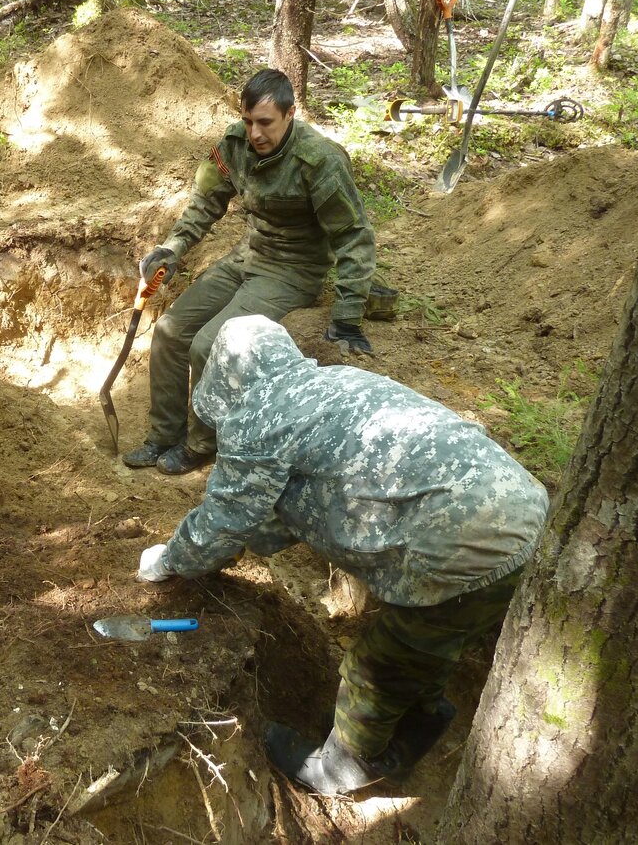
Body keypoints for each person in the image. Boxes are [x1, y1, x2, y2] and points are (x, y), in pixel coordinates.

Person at [136, 315, 549, 796]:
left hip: (460, 542)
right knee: (428, 639)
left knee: (378, 663)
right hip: (528, 515)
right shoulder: (340, 380)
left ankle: (344, 767)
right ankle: (422, 718)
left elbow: (224, 518)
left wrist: (172, 558)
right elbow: (306, 494)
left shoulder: (259, 414)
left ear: (227, 373)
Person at [123, 68, 377, 476]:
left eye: (265, 123)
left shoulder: (319, 159)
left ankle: (201, 443)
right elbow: (204, 204)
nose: (255, 133)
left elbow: (353, 236)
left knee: (208, 343)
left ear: (290, 114)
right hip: (248, 254)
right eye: (248, 121)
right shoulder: (233, 143)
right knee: (170, 331)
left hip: (294, 270)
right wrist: (172, 249)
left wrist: (347, 315)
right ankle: (163, 435)